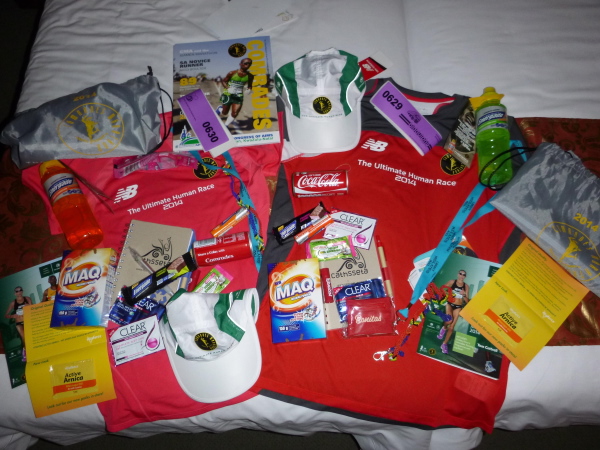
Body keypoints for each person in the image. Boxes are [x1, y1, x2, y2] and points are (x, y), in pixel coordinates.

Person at [437, 270, 470, 354]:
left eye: (464, 274)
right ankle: (444, 328)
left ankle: (444, 344)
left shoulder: (466, 286)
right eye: (460, 273)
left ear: (465, 277)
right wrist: (448, 293)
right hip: (449, 304)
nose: (462, 275)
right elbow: (442, 289)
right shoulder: (452, 282)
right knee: (449, 320)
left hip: (458, 307)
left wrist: (464, 295)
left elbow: (467, 301)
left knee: (452, 327)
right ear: (458, 274)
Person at [217, 58, 254, 126]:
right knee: (224, 113)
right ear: (240, 64)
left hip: (238, 95)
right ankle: (220, 109)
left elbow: (250, 85)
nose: (247, 65)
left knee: (235, 113)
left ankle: (226, 125)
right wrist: (228, 88)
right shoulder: (232, 73)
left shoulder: (250, 76)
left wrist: (249, 89)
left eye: (249, 64)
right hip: (228, 94)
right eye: (246, 63)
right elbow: (224, 81)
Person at [4, 286, 32, 361]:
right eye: (17, 291)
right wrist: (12, 316)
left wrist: (29, 306)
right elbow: (6, 315)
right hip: (19, 322)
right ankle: (26, 354)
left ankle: (27, 351)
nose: (19, 292)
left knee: (30, 337)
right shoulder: (13, 303)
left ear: (22, 291)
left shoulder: (27, 299)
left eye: (20, 290)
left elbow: (33, 309)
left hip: (27, 321)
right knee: (24, 337)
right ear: (15, 293)